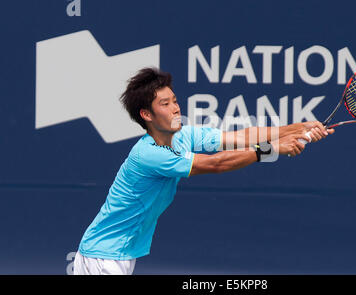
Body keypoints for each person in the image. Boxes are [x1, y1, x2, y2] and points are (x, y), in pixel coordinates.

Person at [73, 67, 334, 275]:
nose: (175, 108)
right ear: (146, 115)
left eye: (175, 100)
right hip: (101, 258)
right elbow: (216, 164)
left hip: (119, 254)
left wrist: (297, 128)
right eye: (165, 104)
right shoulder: (148, 154)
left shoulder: (184, 135)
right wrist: (272, 149)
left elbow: (240, 136)